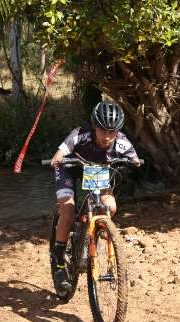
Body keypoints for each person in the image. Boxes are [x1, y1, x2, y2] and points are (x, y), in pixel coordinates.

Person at [49, 100, 140, 293]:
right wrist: (57, 158)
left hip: (97, 172)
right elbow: (61, 152)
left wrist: (134, 161)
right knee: (67, 211)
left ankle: (91, 233)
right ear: (94, 126)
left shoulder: (122, 141)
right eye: (103, 130)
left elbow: (134, 157)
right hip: (70, 168)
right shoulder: (79, 135)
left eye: (112, 131)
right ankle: (58, 261)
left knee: (110, 207)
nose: (107, 136)